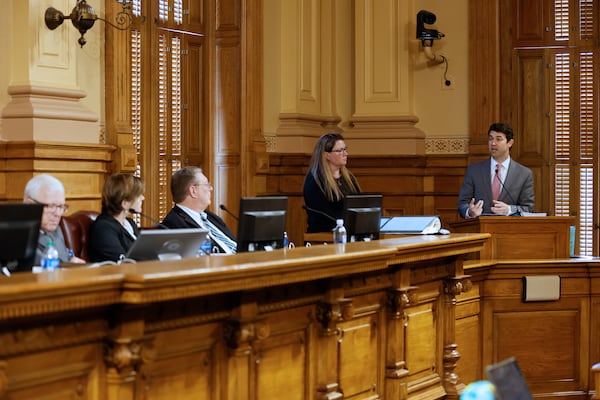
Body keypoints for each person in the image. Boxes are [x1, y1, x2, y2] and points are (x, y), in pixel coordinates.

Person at [457, 122, 534, 218]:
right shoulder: (474, 170)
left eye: (498, 139)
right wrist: (470, 212)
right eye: (490, 139)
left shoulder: (524, 174)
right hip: (480, 229)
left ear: (510, 143)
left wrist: (509, 210)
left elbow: (528, 208)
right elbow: (462, 204)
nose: (493, 143)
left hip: (509, 229)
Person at [161, 166, 237, 254]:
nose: (211, 189)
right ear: (193, 191)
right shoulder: (174, 224)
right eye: (207, 185)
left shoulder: (212, 217)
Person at [23, 174, 86, 267]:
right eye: (51, 206)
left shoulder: (56, 230)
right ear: (30, 205)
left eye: (61, 207)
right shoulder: (15, 235)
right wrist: (67, 267)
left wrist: (73, 263)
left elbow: (63, 258)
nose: (57, 214)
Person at [303, 132, 361, 233]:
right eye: (339, 151)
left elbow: (359, 204)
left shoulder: (349, 178)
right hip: (324, 236)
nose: (345, 154)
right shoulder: (315, 180)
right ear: (327, 155)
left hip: (350, 233)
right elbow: (322, 215)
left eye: (345, 149)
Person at [88, 173, 145, 262]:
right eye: (138, 195)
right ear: (125, 203)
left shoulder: (130, 223)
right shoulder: (103, 228)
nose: (143, 198)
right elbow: (121, 260)